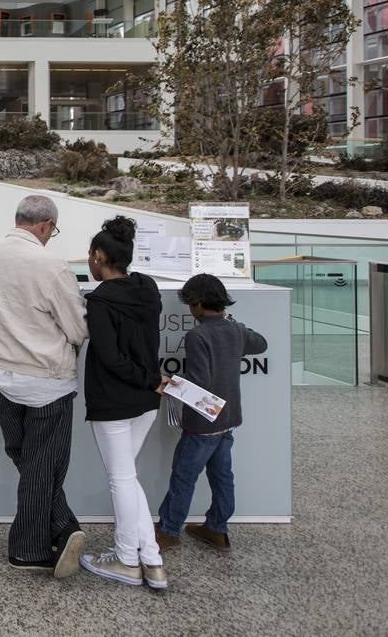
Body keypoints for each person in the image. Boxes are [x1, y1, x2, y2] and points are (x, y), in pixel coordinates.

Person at [0, 194, 89, 578]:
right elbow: (78, 327)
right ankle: (32, 547)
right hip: (46, 382)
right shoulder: (51, 266)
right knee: (43, 466)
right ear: (46, 225)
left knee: (28, 459)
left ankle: (59, 528)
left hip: (0, 377)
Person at [76, 217, 169, 590]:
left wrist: (147, 378)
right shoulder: (147, 289)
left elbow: (111, 358)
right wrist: (150, 380)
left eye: (89, 256)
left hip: (114, 401)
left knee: (121, 479)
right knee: (128, 476)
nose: (88, 262)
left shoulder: (99, 301)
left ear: (99, 256)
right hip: (146, 402)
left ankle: (127, 560)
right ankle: (151, 559)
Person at [155, 274, 267, 552]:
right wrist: (232, 322)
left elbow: (199, 382)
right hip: (227, 420)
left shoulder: (197, 335)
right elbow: (261, 343)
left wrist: (171, 383)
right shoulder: (235, 330)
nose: (189, 309)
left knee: (183, 475)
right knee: (222, 476)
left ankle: (169, 530)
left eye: (190, 303)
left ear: (198, 304)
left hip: (202, 424)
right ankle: (217, 527)